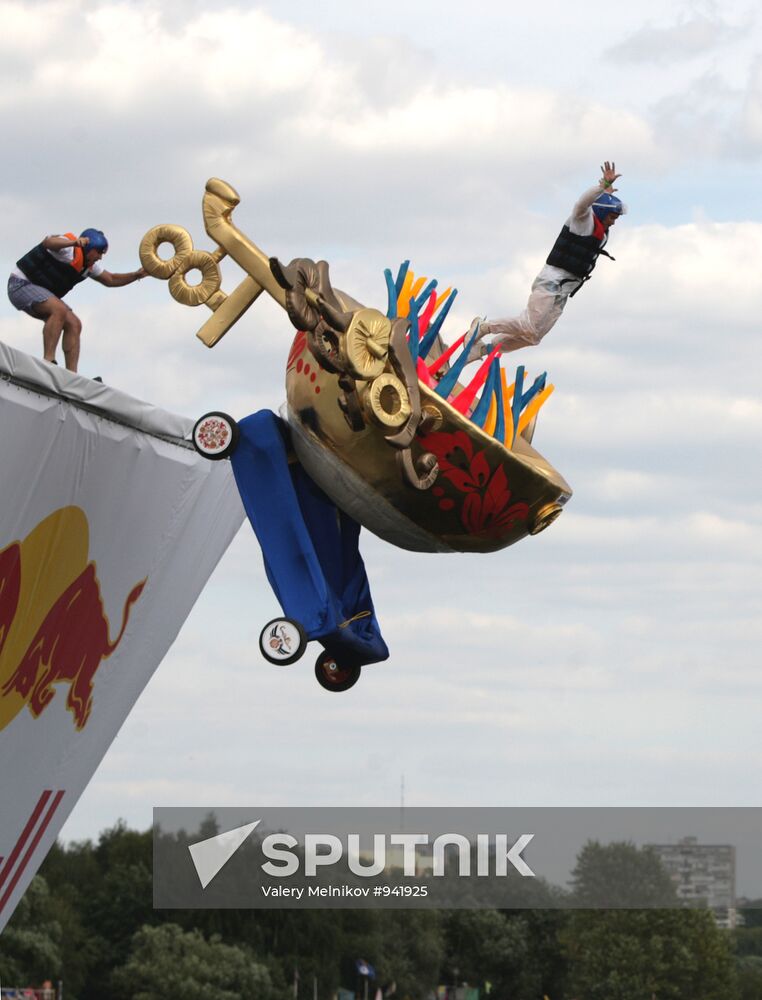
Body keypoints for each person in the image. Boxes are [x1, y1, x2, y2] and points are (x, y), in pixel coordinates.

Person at [466, 161, 626, 361]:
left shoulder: (602, 232)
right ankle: (483, 327)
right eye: (612, 216)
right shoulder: (582, 220)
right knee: (529, 325)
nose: (614, 221)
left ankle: (483, 351)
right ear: (602, 212)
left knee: (534, 337)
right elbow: (582, 203)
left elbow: (598, 204)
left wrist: (606, 193)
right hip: (551, 281)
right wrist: (602, 186)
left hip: (564, 290)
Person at [7, 228, 147, 373]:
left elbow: (110, 279)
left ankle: (72, 376)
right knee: (59, 310)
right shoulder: (68, 248)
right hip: (20, 284)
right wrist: (74, 242)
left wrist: (136, 275)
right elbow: (48, 242)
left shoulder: (89, 266)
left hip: (38, 292)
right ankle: (48, 361)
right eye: (99, 252)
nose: (100, 257)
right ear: (89, 248)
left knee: (74, 324)